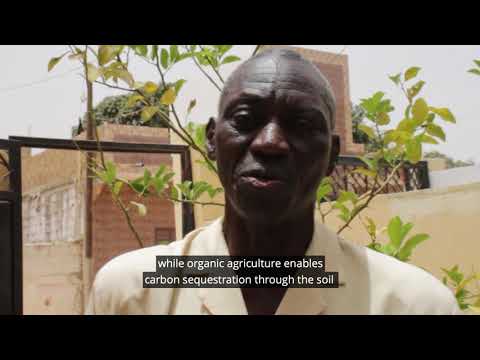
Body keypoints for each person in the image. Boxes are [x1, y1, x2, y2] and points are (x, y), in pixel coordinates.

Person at [86, 48, 462, 315]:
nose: (270, 143)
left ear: (331, 156)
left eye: (301, 125)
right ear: (212, 141)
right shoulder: (132, 291)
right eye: (247, 118)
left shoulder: (414, 304)